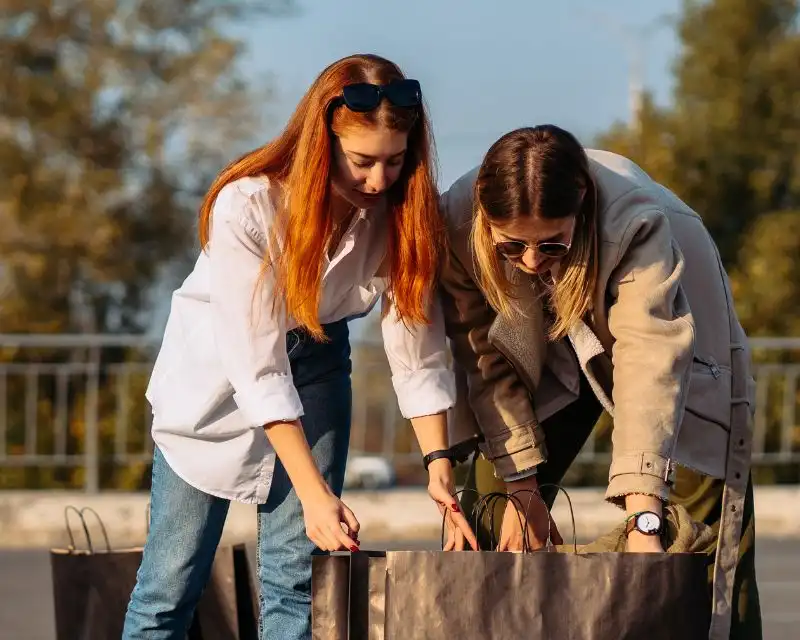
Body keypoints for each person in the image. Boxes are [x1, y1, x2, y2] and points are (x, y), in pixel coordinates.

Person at [122, 53, 476, 640]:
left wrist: (437, 463)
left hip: (318, 364)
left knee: (296, 586)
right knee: (168, 591)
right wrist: (313, 495)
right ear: (323, 144)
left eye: (395, 161)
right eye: (362, 161)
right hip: (215, 379)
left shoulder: (401, 212)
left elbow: (416, 341)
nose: (379, 180)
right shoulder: (249, 205)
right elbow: (257, 365)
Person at [437, 124, 762, 638]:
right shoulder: (455, 222)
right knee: (491, 510)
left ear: (582, 203)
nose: (531, 261)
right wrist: (522, 490)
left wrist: (643, 519)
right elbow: (486, 359)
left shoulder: (636, 219)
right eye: (511, 248)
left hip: (680, 347)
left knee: (702, 545)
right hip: (548, 352)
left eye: (551, 244)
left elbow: (648, 365)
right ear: (482, 212)